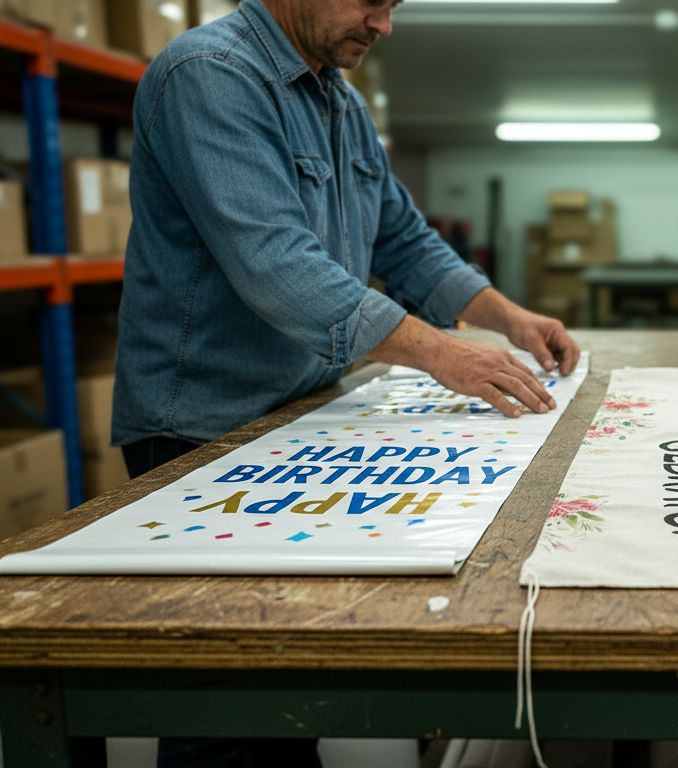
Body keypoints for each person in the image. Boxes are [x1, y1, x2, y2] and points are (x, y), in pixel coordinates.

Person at [110, 0, 578, 764]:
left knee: (294, 669)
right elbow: (275, 264)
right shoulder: (210, 75)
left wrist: (507, 317)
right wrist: (443, 354)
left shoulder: (342, 102)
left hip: (296, 415)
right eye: (371, 1)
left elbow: (404, 240)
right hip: (201, 426)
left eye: (394, 6)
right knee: (231, 702)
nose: (384, 25)